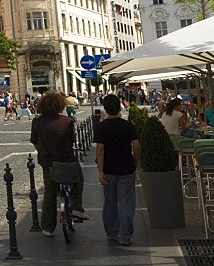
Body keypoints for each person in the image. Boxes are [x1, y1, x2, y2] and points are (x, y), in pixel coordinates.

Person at [30, 92, 87, 237]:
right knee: (77, 181)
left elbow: (35, 141)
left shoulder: (37, 122)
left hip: (48, 162)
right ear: (60, 105)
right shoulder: (67, 121)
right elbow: (71, 141)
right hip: (67, 160)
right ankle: (76, 208)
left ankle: (48, 227)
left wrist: (43, 152)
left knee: (49, 192)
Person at [94, 94, 140, 246]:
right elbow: (137, 146)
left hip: (108, 168)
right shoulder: (128, 126)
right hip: (126, 167)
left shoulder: (101, 127)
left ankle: (112, 231)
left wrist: (100, 170)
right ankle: (125, 235)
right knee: (126, 202)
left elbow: (100, 149)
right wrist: (135, 162)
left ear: (105, 109)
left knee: (110, 201)